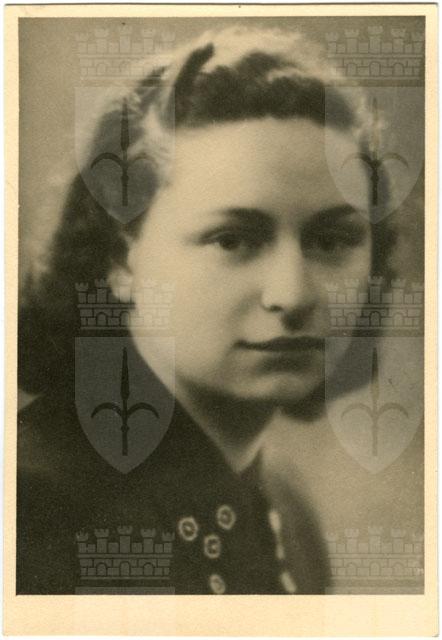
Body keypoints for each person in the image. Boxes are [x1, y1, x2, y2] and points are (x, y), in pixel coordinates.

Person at [17, 26, 395, 594]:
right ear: (120, 256)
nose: (292, 295)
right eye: (233, 239)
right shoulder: (30, 508)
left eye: (331, 241)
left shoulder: (287, 512)